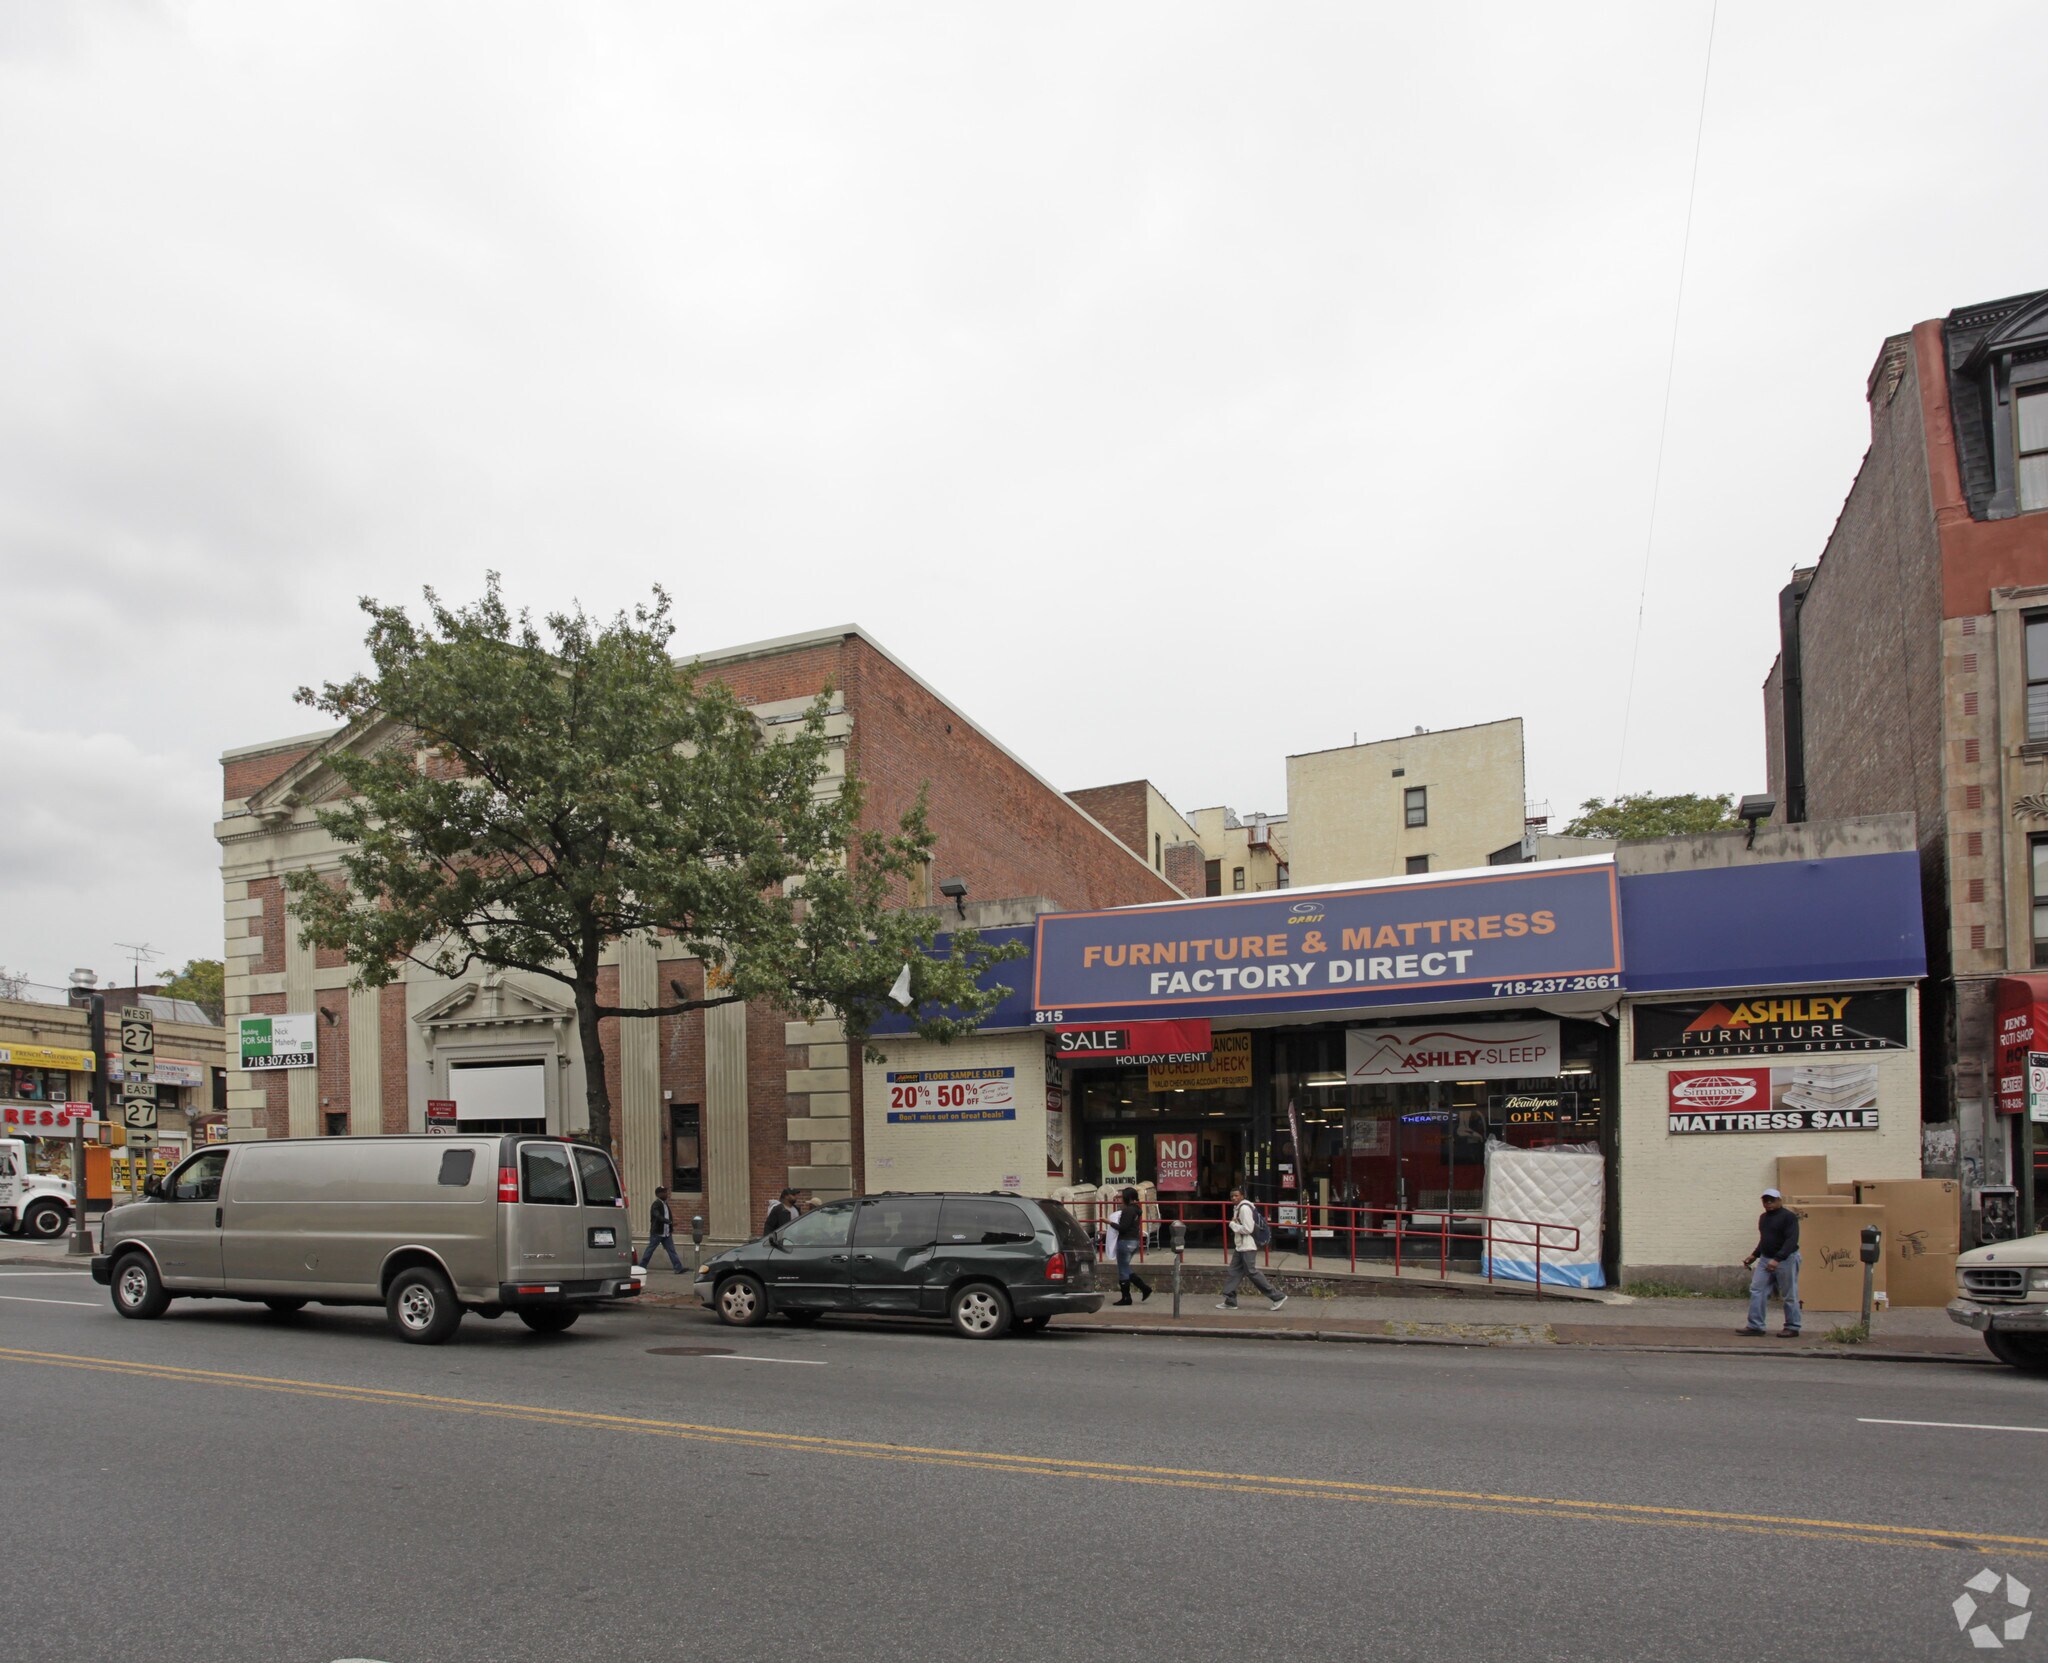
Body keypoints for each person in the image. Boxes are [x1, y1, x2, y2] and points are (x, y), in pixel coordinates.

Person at [1739, 1188, 1802, 1337]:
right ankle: (1755, 1325)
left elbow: (1791, 1241)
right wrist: (1755, 1255)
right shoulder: (1764, 1218)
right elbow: (1765, 1239)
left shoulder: (1789, 1217)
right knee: (1757, 1290)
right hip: (1766, 1258)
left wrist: (1777, 1259)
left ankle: (1792, 1326)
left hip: (1786, 1259)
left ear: (1780, 1200)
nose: (1768, 1203)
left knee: (1789, 1294)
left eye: (1772, 1200)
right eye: (1765, 1200)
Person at [1216, 1187, 1287, 1312]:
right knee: (1234, 1272)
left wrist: (1232, 1225)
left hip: (1248, 1246)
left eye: (1236, 1196)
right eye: (1232, 1196)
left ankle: (1277, 1297)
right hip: (1241, 1246)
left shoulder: (1244, 1208)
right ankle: (1230, 1301)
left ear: (1242, 1196)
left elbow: (1248, 1229)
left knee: (1252, 1272)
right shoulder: (1238, 1208)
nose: (1234, 1198)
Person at [1112, 1187, 1152, 1306]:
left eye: (1122, 1196)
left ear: (1128, 1198)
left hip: (1125, 1242)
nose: (1120, 1199)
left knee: (1123, 1270)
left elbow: (1123, 1228)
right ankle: (1144, 1288)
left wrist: (1109, 1223)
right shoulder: (1136, 1210)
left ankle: (1126, 1297)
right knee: (1125, 1267)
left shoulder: (1128, 1210)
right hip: (1134, 1241)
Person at [639, 1186, 685, 1274]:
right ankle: (642, 1267)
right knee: (650, 1249)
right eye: (664, 1192)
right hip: (657, 1232)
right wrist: (669, 1222)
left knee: (671, 1250)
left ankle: (678, 1268)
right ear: (658, 1194)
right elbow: (658, 1216)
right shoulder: (656, 1204)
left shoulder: (665, 1204)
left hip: (666, 1232)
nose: (666, 1194)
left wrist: (670, 1225)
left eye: (666, 1192)